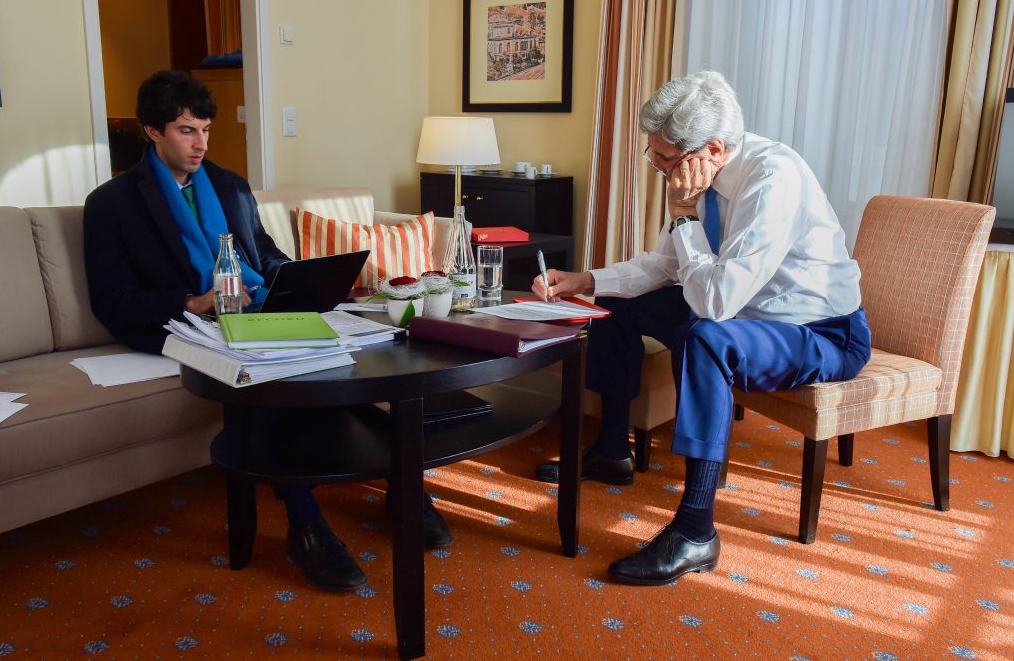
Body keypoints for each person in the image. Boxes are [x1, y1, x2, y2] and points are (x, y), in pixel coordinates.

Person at [84, 70, 452, 592]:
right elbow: (112, 300)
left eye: (206, 130)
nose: (201, 143)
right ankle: (305, 525)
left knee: (349, 364)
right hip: (188, 325)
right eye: (187, 131)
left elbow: (267, 256)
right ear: (151, 131)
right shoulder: (112, 204)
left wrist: (311, 283)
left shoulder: (231, 187)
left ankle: (403, 487)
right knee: (267, 384)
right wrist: (194, 301)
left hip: (257, 313)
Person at [532, 71, 870, 586]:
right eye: (655, 157)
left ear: (713, 148)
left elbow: (714, 303)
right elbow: (669, 266)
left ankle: (695, 531)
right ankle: (611, 451)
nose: (660, 170)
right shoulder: (703, 176)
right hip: (746, 315)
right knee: (618, 303)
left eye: (665, 160)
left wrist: (686, 214)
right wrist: (586, 279)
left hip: (819, 331)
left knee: (705, 339)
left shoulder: (772, 180)